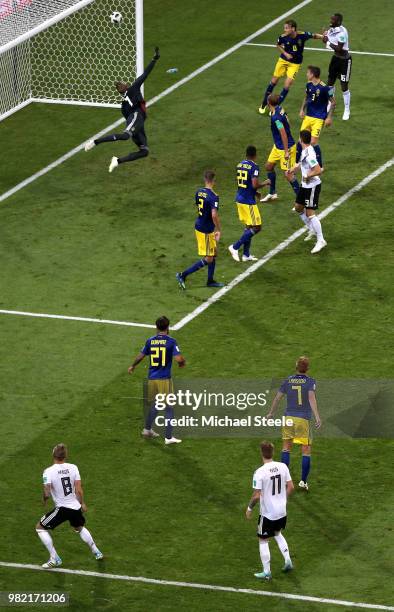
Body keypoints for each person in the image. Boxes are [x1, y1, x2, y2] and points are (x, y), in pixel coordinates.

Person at [84, 47, 160, 171]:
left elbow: (145, 74)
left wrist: (154, 59)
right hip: (137, 117)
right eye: (122, 84)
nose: (124, 84)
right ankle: (95, 142)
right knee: (125, 136)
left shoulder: (126, 101)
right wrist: (154, 59)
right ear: (123, 88)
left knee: (144, 151)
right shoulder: (130, 93)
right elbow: (145, 74)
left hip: (138, 122)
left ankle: (117, 161)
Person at [36, 444, 103, 568]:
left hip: (62, 509)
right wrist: (82, 503)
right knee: (79, 527)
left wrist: (44, 499)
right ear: (65, 455)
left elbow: (47, 492)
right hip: (75, 506)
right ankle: (96, 551)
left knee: (40, 527)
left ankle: (54, 558)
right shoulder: (73, 468)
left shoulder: (48, 471)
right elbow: (79, 490)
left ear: (53, 455)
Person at [128, 316, 185, 444]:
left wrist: (133, 366)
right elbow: (179, 359)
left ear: (156, 327)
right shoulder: (171, 341)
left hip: (152, 379)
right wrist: (182, 363)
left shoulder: (150, 341)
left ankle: (147, 430)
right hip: (164, 379)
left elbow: (141, 356)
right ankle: (169, 438)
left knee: (156, 404)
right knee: (169, 408)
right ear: (168, 327)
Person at [267, 356, 321, 491]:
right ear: (307, 369)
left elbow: (278, 397)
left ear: (296, 367)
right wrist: (317, 417)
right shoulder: (310, 382)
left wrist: (271, 413)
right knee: (306, 450)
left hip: (288, 419)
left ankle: (285, 480)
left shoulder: (288, 381)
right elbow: (311, 398)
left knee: (286, 448)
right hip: (303, 419)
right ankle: (303, 481)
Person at [246, 441, 294, 580]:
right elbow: (290, 487)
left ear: (262, 453)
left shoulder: (260, 472)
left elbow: (256, 495)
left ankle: (266, 571)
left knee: (263, 539)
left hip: (267, 514)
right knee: (278, 533)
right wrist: (283, 500)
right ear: (273, 452)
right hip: (282, 511)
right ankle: (287, 560)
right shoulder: (282, 466)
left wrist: (249, 508)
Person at [259, 20, 323, 113]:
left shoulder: (302, 35)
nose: (284, 30)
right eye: (284, 28)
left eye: (286, 28)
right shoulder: (283, 37)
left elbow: (314, 35)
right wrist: (285, 53)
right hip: (283, 61)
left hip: (295, 64)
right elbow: (278, 45)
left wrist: (323, 37)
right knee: (274, 81)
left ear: (293, 29)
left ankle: (275, 108)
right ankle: (264, 103)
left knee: (287, 85)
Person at [176, 171, 223, 289]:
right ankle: (182, 275)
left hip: (200, 225)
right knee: (209, 258)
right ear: (213, 181)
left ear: (205, 179)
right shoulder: (214, 196)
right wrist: (218, 229)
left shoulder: (199, 192)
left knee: (214, 253)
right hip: (206, 230)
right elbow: (214, 215)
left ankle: (210, 280)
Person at [287, 129, 327, 253]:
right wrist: (292, 170)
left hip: (312, 186)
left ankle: (321, 240)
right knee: (298, 207)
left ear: (300, 139)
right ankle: (311, 229)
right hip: (305, 185)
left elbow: (319, 170)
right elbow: (300, 165)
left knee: (310, 213)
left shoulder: (309, 154)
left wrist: (308, 176)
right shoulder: (305, 151)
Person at [228, 146, 270, 262]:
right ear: (255, 155)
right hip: (248, 202)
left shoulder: (239, 165)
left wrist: (255, 193)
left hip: (240, 198)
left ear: (246, 154)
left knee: (249, 227)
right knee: (257, 227)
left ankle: (246, 255)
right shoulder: (254, 167)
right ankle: (235, 247)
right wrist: (265, 183)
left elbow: (244, 184)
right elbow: (254, 184)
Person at [260, 94, 300, 203]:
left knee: (289, 175)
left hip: (285, 148)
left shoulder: (275, 118)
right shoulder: (279, 109)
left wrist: (286, 151)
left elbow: (283, 134)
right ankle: (272, 193)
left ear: (268, 103)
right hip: (277, 146)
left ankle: (301, 199)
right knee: (269, 166)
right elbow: (288, 123)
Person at [298, 65, 335, 166]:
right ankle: (300, 163)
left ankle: (319, 165)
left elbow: (333, 102)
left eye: (308, 73)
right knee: (301, 141)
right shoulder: (308, 85)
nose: (306, 74)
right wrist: (302, 110)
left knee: (313, 142)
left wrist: (329, 117)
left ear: (312, 74)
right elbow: (306, 98)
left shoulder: (325, 87)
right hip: (308, 116)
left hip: (319, 118)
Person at [322, 13, 352, 120]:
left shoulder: (342, 33)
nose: (331, 21)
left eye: (333, 20)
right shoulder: (332, 29)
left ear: (338, 22)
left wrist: (327, 42)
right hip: (335, 59)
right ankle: (330, 104)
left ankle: (347, 110)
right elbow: (326, 40)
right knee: (330, 84)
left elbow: (339, 48)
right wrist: (325, 37)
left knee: (344, 86)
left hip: (344, 61)